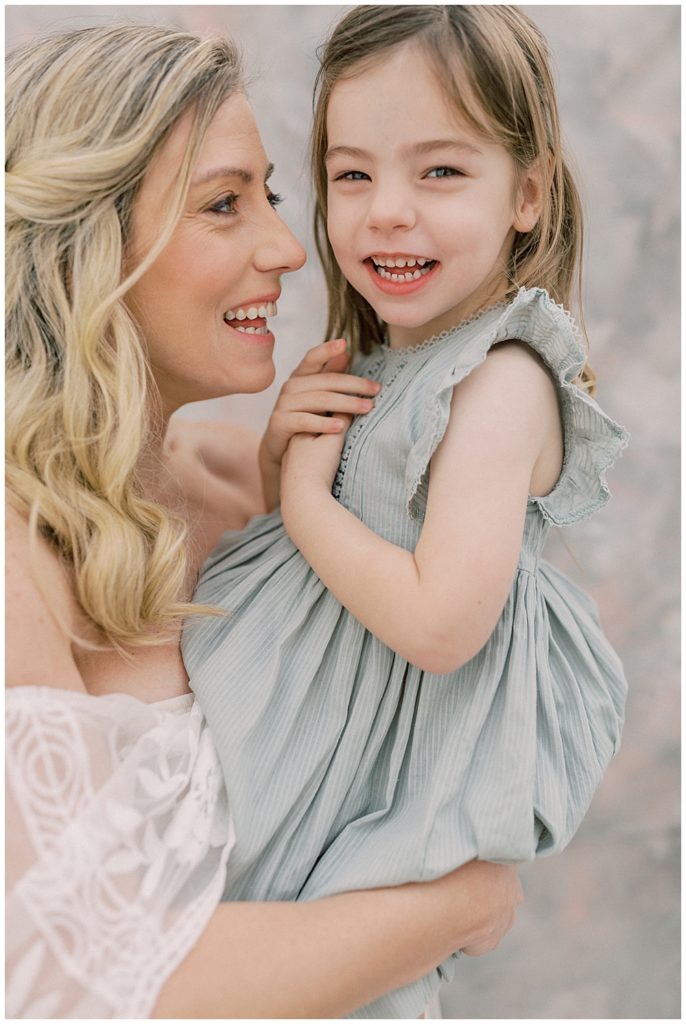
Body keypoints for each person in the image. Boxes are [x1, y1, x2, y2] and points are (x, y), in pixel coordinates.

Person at [5, 22, 525, 1019]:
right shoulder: (14, 555)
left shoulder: (249, 487)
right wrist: (459, 901)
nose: (287, 248)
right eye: (224, 205)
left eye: (273, 196)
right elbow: (71, 981)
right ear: (86, 242)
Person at [182, 5, 629, 1018]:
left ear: (525, 192)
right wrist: (277, 462)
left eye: (437, 172)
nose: (385, 210)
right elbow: (317, 581)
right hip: (292, 787)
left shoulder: (501, 381)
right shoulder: (377, 368)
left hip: (372, 813)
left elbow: (435, 623)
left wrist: (299, 499)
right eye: (351, 174)